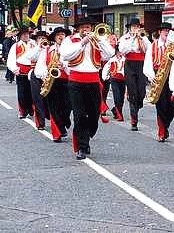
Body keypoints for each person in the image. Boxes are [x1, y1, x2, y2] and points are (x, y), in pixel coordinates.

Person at [60, 17, 114, 160]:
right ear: (78, 29)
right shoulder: (70, 40)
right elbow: (65, 55)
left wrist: (100, 40)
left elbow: (109, 54)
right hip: (76, 82)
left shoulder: (96, 40)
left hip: (93, 81)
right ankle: (82, 146)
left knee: (94, 115)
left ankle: (86, 137)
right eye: (83, 27)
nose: (86, 30)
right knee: (80, 115)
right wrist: (82, 43)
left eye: (89, 27)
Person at [144, 22, 174, 142]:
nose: (167, 33)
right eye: (164, 30)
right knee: (160, 105)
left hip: (172, 76)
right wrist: (151, 76)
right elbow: (148, 62)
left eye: (168, 31)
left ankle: (166, 125)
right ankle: (161, 130)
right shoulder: (152, 46)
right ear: (160, 32)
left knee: (172, 105)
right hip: (158, 76)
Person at [36, 27, 72, 142]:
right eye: (58, 35)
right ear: (55, 38)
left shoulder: (71, 51)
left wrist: (64, 66)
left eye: (63, 34)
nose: (61, 37)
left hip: (67, 81)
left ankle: (64, 122)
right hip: (52, 81)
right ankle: (57, 133)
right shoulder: (47, 50)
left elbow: (74, 68)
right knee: (54, 108)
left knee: (67, 107)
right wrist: (45, 75)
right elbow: (40, 67)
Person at [119, 18, 151, 131]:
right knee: (132, 91)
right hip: (130, 64)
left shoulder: (144, 37)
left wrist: (142, 38)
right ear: (130, 28)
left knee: (141, 91)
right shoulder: (125, 38)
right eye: (134, 26)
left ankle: (137, 105)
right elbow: (123, 50)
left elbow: (149, 49)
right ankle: (134, 119)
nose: (136, 28)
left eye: (137, 26)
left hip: (141, 64)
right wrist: (133, 39)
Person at [7, 26, 35, 118]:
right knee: (22, 93)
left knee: (32, 92)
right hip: (21, 72)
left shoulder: (34, 44)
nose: (26, 35)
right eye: (24, 34)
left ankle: (31, 109)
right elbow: (11, 59)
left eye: (27, 34)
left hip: (33, 71)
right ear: (20, 36)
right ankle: (23, 111)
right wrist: (14, 69)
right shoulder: (16, 46)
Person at [26, 30, 50, 130]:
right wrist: (39, 47)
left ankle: (49, 116)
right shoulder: (34, 48)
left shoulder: (51, 48)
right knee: (37, 100)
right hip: (36, 76)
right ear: (36, 40)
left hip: (48, 77)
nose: (42, 40)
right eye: (40, 38)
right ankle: (40, 123)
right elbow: (30, 57)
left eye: (44, 38)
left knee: (48, 100)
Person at [102, 46, 126, 122]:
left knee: (121, 98)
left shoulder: (124, 59)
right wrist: (105, 77)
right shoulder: (112, 60)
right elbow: (106, 68)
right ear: (116, 52)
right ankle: (120, 115)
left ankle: (115, 110)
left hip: (123, 80)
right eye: (119, 51)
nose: (120, 53)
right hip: (114, 79)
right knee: (117, 96)